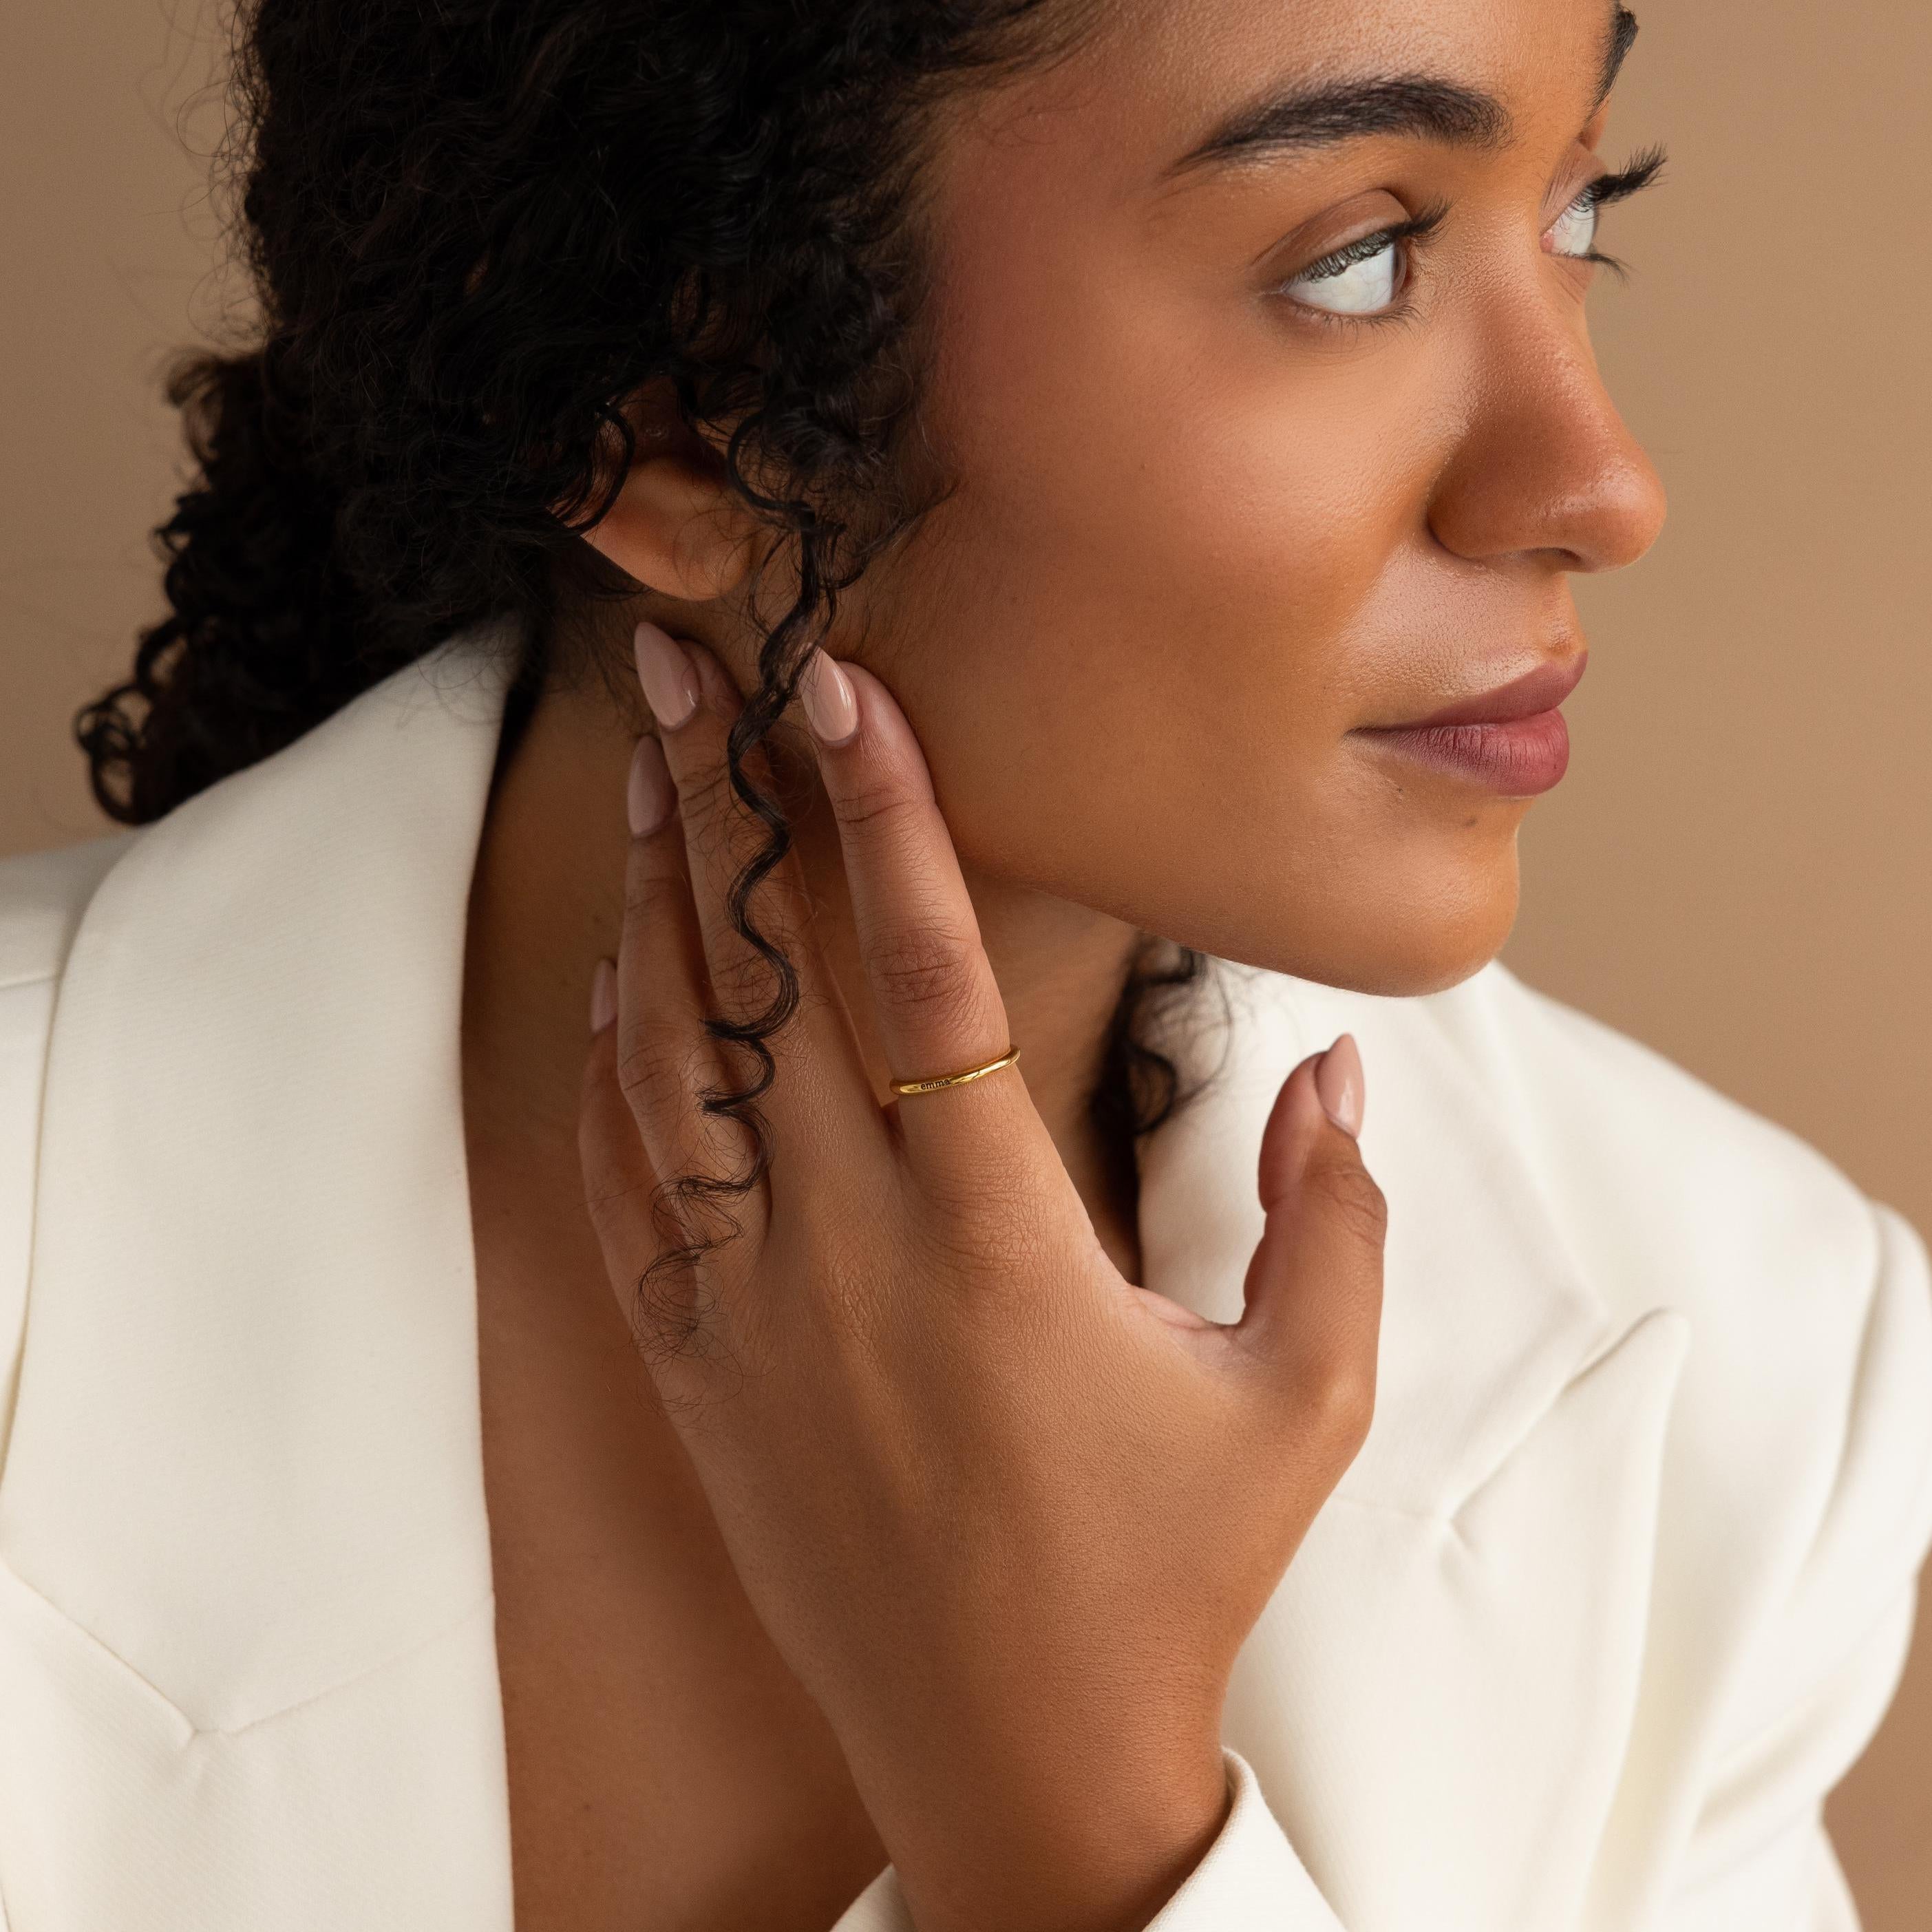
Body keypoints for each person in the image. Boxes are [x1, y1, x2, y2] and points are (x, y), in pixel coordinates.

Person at [1, 0, 1926, 1926]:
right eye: (1357, 259)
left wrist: (1079, 1828)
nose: (1597, 484)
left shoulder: (1749, 1369)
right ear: (677, 429)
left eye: (1582, 217)